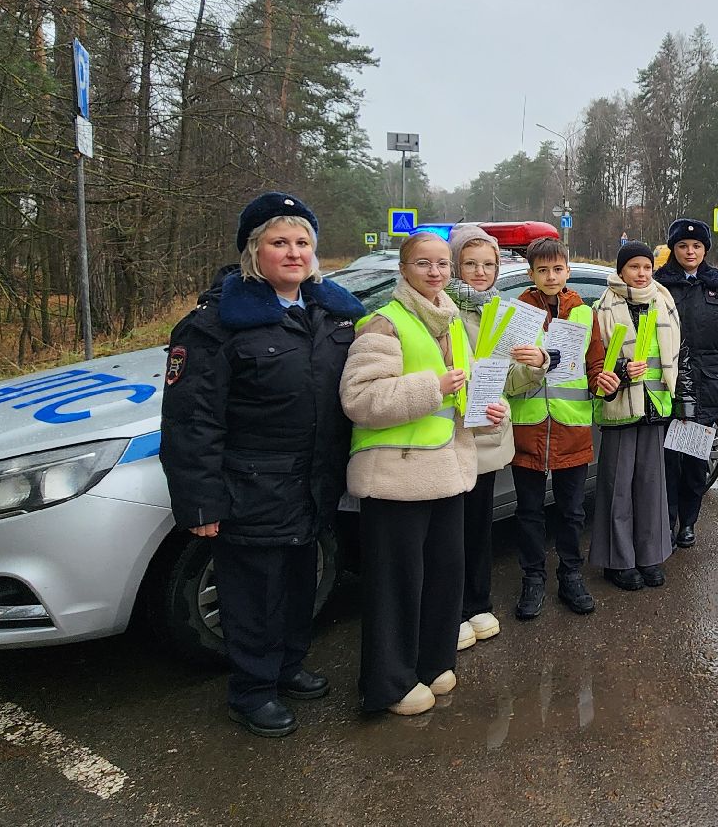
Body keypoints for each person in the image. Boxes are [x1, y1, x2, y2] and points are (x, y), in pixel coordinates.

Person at [160, 192, 364, 739]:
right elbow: (191, 421)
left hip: (314, 484)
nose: (294, 252)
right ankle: (250, 691)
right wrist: (200, 502)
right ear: (254, 251)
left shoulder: (331, 313)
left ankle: (288, 665)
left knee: (303, 584)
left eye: (303, 242)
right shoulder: (214, 326)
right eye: (280, 242)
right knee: (252, 595)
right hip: (251, 484)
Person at [339, 230, 480, 716]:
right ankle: (389, 683)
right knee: (396, 586)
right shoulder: (383, 324)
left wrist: (484, 410)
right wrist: (432, 387)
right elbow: (359, 401)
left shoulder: (453, 321)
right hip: (395, 476)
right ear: (404, 269)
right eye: (424, 263)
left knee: (444, 575)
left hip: (447, 469)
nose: (435, 272)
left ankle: (432, 661)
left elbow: (460, 391)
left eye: (442, 264)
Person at [446, 225, 548, 650]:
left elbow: (512, 380)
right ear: (455, 265)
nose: (480, 272)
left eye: (488, 264)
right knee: (447, 533)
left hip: (487, 435)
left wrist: (537, 363)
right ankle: (448, 612)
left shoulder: (505, 314)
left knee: (478, 527)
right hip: (448, 437)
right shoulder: (440, 309)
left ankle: (478, 603)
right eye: (470, 263)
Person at [507, 236, 606, 617]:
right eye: (543, 270)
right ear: (531, 273)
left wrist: (604, 384)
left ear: (567, 270)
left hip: (572, 429)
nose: (551, 276)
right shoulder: (517, 312)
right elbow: (504, 368)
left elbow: (594, 366)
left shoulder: (583, 312)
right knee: (529, 512)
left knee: (571, 512)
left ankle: (570, 576)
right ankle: (533, 579)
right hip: (528, 428)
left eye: (558, 269)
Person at [589, 241, 683, 589]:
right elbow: (595, 359)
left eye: (646, 267)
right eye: (634, 267)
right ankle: (618, 561)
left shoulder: (664, 301)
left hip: (656, 405)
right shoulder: (604, 306)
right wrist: (623, 371)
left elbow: (676, 354)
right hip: (619, 406)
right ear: (621, 271)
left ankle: (649, 556)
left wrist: (681, 397)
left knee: (650, 485)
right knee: (617, 486)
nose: (641, 273)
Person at [653, 218, 718, 548]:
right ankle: (666, 520)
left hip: (706, 386)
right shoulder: (658, 287)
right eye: (682, 246)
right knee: (668, 462)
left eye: (696, 246)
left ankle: (688, 523)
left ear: (705, 250)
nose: (689, 251)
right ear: (672, 249)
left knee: (694, 462)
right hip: (666, 385)